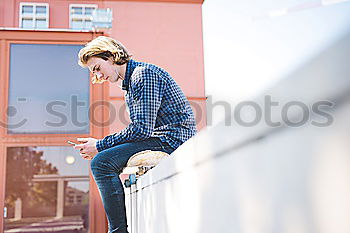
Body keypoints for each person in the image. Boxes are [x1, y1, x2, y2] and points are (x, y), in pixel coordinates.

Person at [74, 36, 197, 233]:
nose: (97, 76)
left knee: (101, 163)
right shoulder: (131, 83)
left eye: (97, 68)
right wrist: (102, 145)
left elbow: (141, 129)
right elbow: (141, 131)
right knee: (104, 160)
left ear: (110, 56)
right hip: (160, 138)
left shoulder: (143, 75)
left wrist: (99, 145)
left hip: (172, 141)